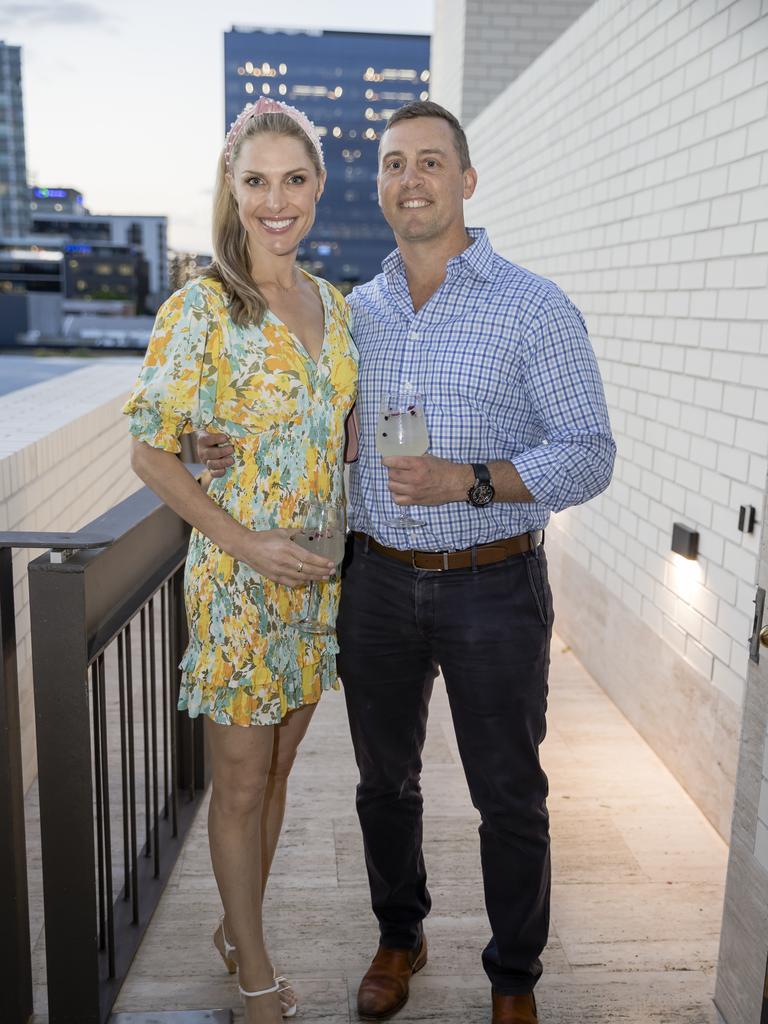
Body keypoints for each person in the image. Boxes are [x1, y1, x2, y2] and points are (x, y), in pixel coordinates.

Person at [199, 100, 615, 1024]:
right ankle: (401, 934)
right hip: (377, 581)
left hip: (494, 584)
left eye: (432, 162)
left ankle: (514, 978)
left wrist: (470, 479)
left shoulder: (535, 307)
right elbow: (295, 412)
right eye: (394, 164)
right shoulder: (355, 311)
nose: (412, 179)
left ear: (466, 182)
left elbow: (590, 451)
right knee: (383, 783)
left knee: (508, 793)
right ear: (378, 186)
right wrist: (209, 444)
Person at [123, 97, 358, 1024]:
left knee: (283, 767)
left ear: (316, 188)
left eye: (293, 180)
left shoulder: (334, 308)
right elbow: (148, 448)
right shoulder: (204, 307)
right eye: (256, 180)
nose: (276, 200)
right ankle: (255, 976)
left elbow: (331, 431)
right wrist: (244, 534)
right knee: (242, 779)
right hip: (236, 581)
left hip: (315, 582)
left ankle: (237, 926)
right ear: (232, 188)